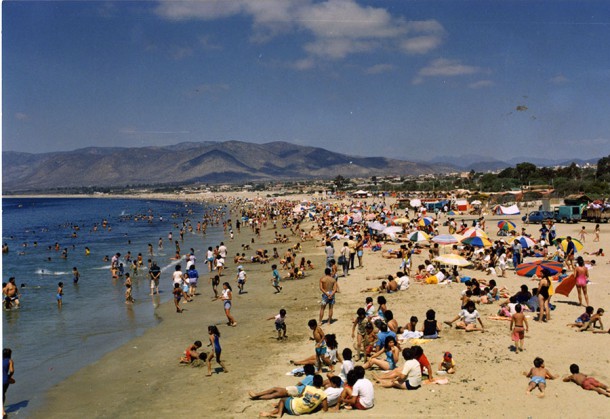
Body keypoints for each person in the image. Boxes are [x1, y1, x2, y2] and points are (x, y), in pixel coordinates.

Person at [258, 374, 328, 417]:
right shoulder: (323, 394)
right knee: (286, 406)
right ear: (321, 383)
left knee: (283, 400)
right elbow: (325, 409)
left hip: (294, 408)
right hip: (302, 411)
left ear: (313, 382)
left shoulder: (307, 387)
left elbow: (300, 396)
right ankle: (272, 412)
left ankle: (278, 414)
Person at [249, 364, 316, 400]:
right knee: (275, 394)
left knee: (274, 390)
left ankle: (257, 395)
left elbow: (299, 383)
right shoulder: (314, 378)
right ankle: (257, 397)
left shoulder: (309, 377)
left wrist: (293, 387)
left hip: (296, 390)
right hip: (298, 391)